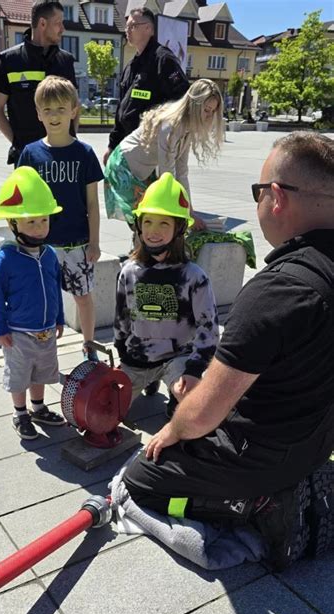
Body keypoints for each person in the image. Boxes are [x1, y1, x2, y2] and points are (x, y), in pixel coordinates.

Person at [122, 132, 334, 568]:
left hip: (259, 454)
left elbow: (202, 414)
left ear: (275, 197)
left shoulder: (278, 290)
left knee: (137, 481)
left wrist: (175, 431)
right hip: (313, 441)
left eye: (258, 192)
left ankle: (252, 507)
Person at [115, 172, 219, 410]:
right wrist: (121, 349)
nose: (154, 230)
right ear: (139, 226)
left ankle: (173, 393)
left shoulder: (194, 277)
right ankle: (148, 381)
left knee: (191, 409)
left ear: (180, 228)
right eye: (148, 221)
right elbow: (121, 317)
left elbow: (209, 328)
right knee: (106, 410)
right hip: (138, 357)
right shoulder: (129, 272)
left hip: (178, 356)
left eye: (164, 223)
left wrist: (194, 369)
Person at [19, 76, 103, 360]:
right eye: (48, 110)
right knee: (44, 299)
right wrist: (21, 242)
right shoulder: (30, 154)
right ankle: (43, 347)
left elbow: (92, 202)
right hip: (42, 246)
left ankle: (89, 345)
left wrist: (94, 242)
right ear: (39, 114)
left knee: (83, 296)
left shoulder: (85, 153)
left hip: (77, 243)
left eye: (61, 109)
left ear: (74, 110)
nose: (55, 116)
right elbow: (19, 203)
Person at [0, 166, 66, 440]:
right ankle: (20, 412)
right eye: (30, 222)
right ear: (13, 224)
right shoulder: (7, 258)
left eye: (43, 220)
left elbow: (55, 287)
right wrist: (0, 328)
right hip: (19, 331)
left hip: (46, 329)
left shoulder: (49, 254)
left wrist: (59, 318)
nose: (39, 227)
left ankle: (39, 407)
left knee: (42, 373)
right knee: (20, 374)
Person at [105, 79, 224, 232]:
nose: (209, 116)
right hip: (124, 167)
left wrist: (190, 212)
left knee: (149, 223)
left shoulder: (187, 127)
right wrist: (186, 215)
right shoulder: (171, 125)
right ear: (194, 105)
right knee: (145, 223)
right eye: (206, 110)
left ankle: (141, 252)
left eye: (213, 111)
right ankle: (140, 253)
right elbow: (167, 175)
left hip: (143, 170)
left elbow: (182, 172)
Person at [0, 0, 77, 167]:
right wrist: (17, 142)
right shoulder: (11, 60)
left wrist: (71, 138)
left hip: (63, 156)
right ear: (42, 23)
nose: (63, 29)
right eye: (58, 23)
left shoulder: (65, 61)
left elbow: (75, 106)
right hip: (27, 159)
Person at [103, 7, 189, 166]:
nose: (127, 30)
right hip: (128, 144)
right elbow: (121, 110)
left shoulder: (163, 60)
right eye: (126, 26)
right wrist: (112, 145)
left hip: (151, 146)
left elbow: (182, 98)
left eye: (132, 26)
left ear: (148, 28)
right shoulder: (131, 66)